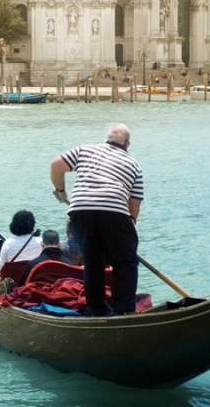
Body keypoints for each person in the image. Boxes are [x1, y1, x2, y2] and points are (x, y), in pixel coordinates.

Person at [51, 123, 144, 316]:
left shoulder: (84, 150)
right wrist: (129, 226)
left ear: (107, 139)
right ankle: (124, 311)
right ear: (127, 144)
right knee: (126, 262)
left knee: (93, 262)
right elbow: (134, 204)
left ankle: (97, 309)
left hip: (80, 212)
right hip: (115, 213)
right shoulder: (133, 164)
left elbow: (56, 165)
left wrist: (61, 191)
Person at [0, 210, 42, 274]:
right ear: (32, 225)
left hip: (13, 281)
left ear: (13, 225)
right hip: (32, 279)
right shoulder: (41, 242)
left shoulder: (8, 243)